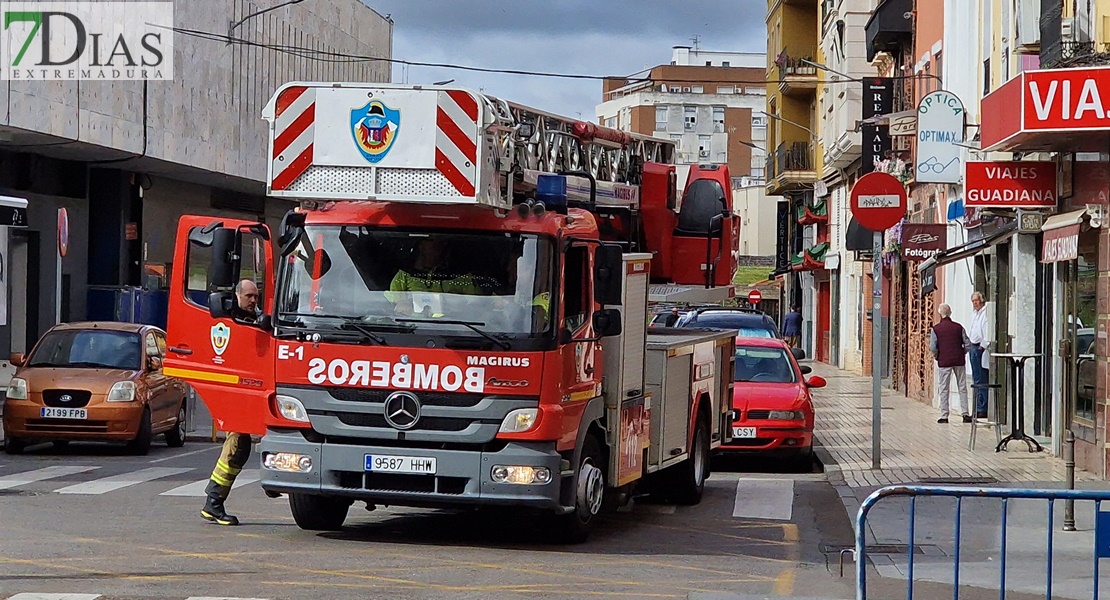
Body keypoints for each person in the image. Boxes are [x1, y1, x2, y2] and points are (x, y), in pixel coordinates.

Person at [201, 279, 258, 526]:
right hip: (236, 393)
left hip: (249, 392)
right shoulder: (230, 320)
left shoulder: (253, 318)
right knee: (236, 446)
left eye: (255, 296)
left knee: (240, 446)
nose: (253, 300)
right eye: (249, 296)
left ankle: (213, 502)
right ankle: (213, 502)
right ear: (237, 296)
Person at [385, 239, 481, 316]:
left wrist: (453, 306)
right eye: (432, 240)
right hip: (413, 329)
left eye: (443, 243)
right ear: (421, 246)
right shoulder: (405, 275)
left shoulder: (462, 276)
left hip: (453, 329)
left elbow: (476, 305)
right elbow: (391, 302)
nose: (441, 246)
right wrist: (403, 304)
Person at [929, 303, 973, 424]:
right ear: (950, 313)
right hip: (959, 360)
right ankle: (965, 414)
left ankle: (944, 415)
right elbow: (968, 344)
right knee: (962, 387)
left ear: (940, 313)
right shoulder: (959, 327)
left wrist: (937, 356)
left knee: (944, 388)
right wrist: (962, 352)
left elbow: (932, 347)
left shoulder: (936, 329)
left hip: (944, 361)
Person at [967, 292, 990, 419]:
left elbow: (986, 330)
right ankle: (977, 407)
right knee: (976, 378)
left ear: (981, 300)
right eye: (973, 301)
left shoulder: (985, 312)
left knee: (981, 378)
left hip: (980, 348)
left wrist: (983, 345)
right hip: (973, 347)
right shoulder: (975, 314)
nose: (975, 303)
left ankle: (982, 408)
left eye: (976, 300)